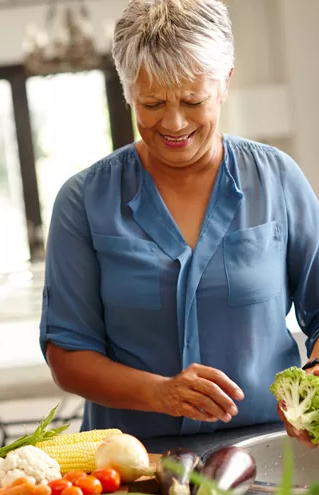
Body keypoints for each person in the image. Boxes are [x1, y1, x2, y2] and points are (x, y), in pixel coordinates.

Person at [40, 0, 319, 448]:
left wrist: (313, 384)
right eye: (151, 103)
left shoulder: (277, 179)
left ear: (224, 83)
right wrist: (161, 394)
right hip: (132, 461)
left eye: (192, 100)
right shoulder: (83, 201)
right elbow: (68, 356)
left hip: (270, 449)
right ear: (128, 90)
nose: (173, 123)